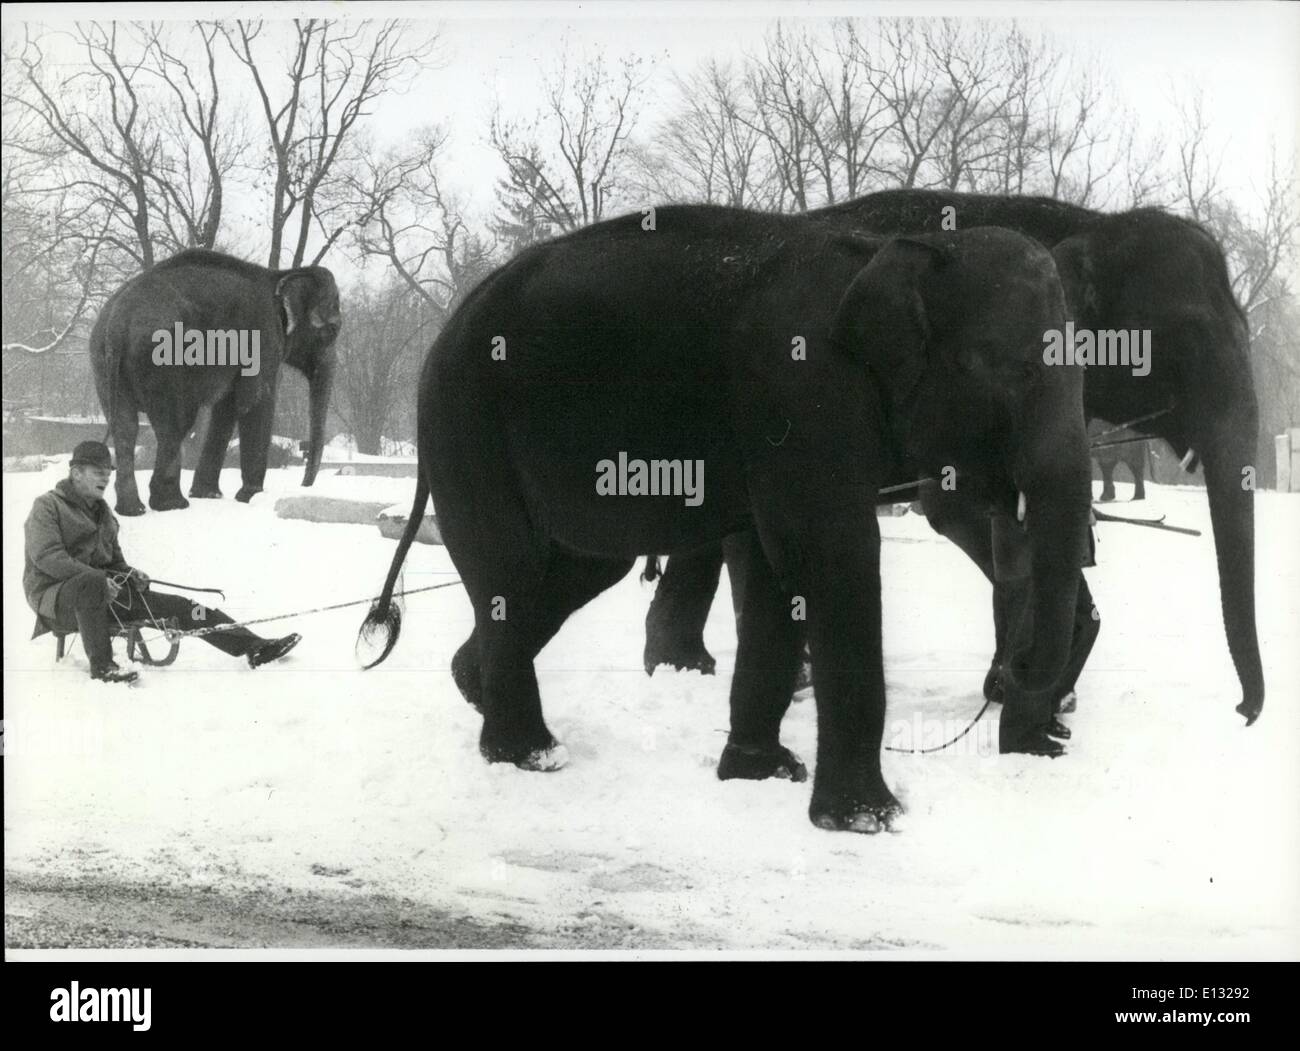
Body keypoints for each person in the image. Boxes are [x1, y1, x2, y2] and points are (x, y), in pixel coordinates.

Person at [24, 441, 300, 685]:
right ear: (76, 473)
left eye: (108, 474)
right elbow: (47, 557)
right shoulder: (48, 506)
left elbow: (116, 563)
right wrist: (98, 580)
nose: (106, 479)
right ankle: (103, 667)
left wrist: (132, 575)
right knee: (91, 581)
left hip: (105, 596)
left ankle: (252, 645)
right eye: (99, 473)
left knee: (184, 608)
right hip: (56, 600)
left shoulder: (105, 515)